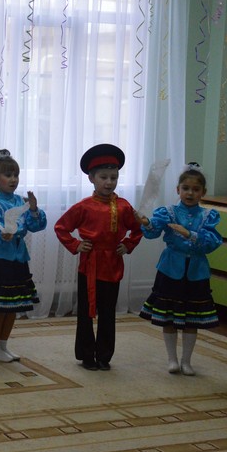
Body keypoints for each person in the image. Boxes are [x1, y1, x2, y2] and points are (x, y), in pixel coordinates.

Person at [54, 144, 143, 371]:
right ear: (91, 178)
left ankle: (104, 355)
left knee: (108, 312)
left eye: (114, 177)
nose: (109, 182)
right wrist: (76, 244)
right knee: (86, 312)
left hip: (112, 264)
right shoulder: (83, 207)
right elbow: (61, 227)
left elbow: (138, 228)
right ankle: (86, 355)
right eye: (103, 177)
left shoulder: (124, 207)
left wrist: (128, 244)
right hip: (90, 265)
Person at [135, 162, 222, 376]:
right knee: (169, 316)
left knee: (192, 317)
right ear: (178, 190)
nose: (190, 193)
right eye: (186, 188)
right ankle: (172, 359)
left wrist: (189, 234)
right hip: (170, 269)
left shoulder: (208, 215)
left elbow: (212, 243)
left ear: (203, 192)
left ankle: (187, 361)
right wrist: (146, 222)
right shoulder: (168, 212)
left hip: (196, 272)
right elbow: (153, 232)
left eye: (195, 189)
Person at [0, 149, 47, 362]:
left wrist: (33, 209)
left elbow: (36, 226)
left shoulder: (20, 202)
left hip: (18, 259)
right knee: (0, 308)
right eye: (8, 175)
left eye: (16, 175)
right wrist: (1, 235)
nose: (13, 179)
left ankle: (4, 346)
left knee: (13, 307)